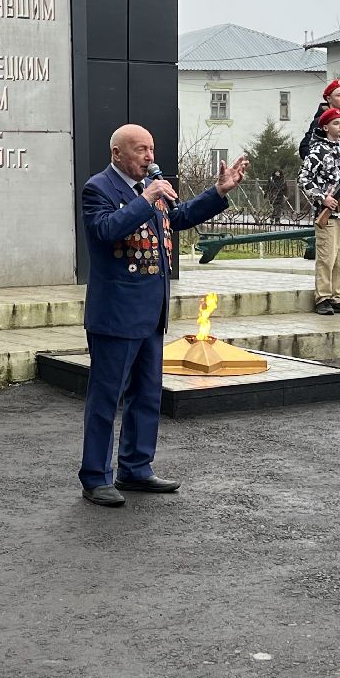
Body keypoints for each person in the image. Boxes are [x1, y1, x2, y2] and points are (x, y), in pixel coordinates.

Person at [79, 125, 248, 507]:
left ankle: (136, 467)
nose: (149, 157)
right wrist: (146, 197)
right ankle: (95, 477)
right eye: (141, 150)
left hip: (151, 313)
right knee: (106, 398)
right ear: (117, 153)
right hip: (116, 315)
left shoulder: (152, 187)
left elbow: (179, 216)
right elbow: (107, 231)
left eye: (151, 149)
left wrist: (219, 191)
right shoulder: (99, 189)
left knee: (147, 394)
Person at [298, 109, 340, 315]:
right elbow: (303, 179)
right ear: (325, 127)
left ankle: (338, 297)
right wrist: (322, 198)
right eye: (335, 123)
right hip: (328, 212)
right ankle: (323, 298)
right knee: (327, 257)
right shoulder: (317, 151)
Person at [298, 78, 340, 161]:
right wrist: (326, 161)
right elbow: (304, 150)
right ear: (329, 99)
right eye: (339, 95)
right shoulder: (320, 122)